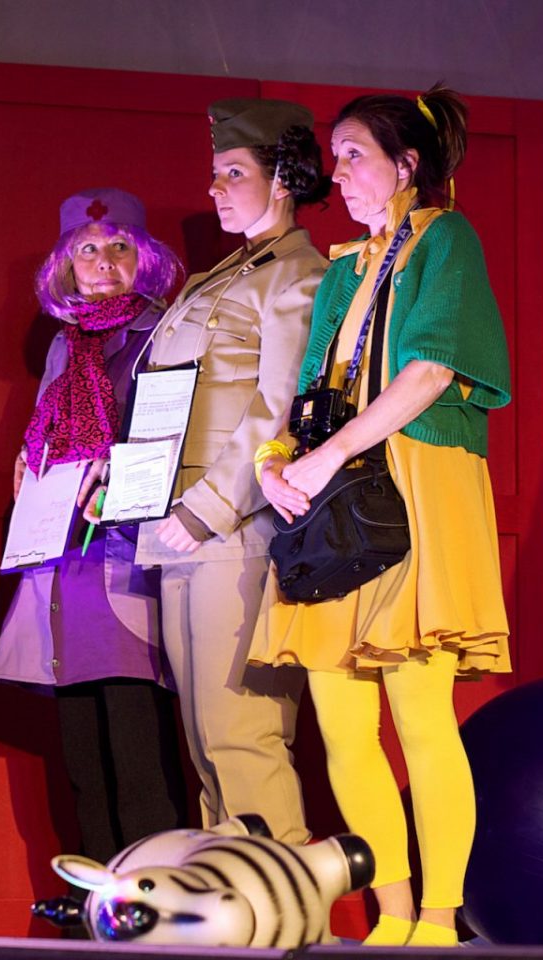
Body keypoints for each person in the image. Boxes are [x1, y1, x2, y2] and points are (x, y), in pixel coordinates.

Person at [250, 85, 511, 946]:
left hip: (417, 485)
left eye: (354, 155)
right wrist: (277, 461)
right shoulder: (344, 269)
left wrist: (327, 456)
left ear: (407, 164)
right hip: (340, 501)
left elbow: (430, 371)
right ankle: (393, 915)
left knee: (420, 716)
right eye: (335, 158)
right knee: (342, 724)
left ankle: (439, 917)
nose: (338, 173)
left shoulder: (446, 238)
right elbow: (312, 394)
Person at [116, 99, 330, 844]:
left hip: (239, 529)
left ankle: (282, 903)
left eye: (233, 172)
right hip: (176, 526)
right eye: (214, 173)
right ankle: (231, 898)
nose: (214, 188)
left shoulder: (299, 278)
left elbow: (280, 411)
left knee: (243, 735)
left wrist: (204, 508)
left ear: (284, 178)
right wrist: (130, 486)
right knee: (206, 742)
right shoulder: (213, 278)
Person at [0, 188, 187, 864]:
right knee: (83, 755)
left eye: (120, 246)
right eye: (88, 250)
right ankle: (99, 906)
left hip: (127, 558)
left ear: (144, 258)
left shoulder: (166, 331)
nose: (104, 262)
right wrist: (31, 457)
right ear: (66, 265)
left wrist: (114, 463)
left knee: (137, 751)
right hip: (62, 562)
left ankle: (154, 900)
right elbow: (48, 427)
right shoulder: (63, 345)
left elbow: (175, 436)